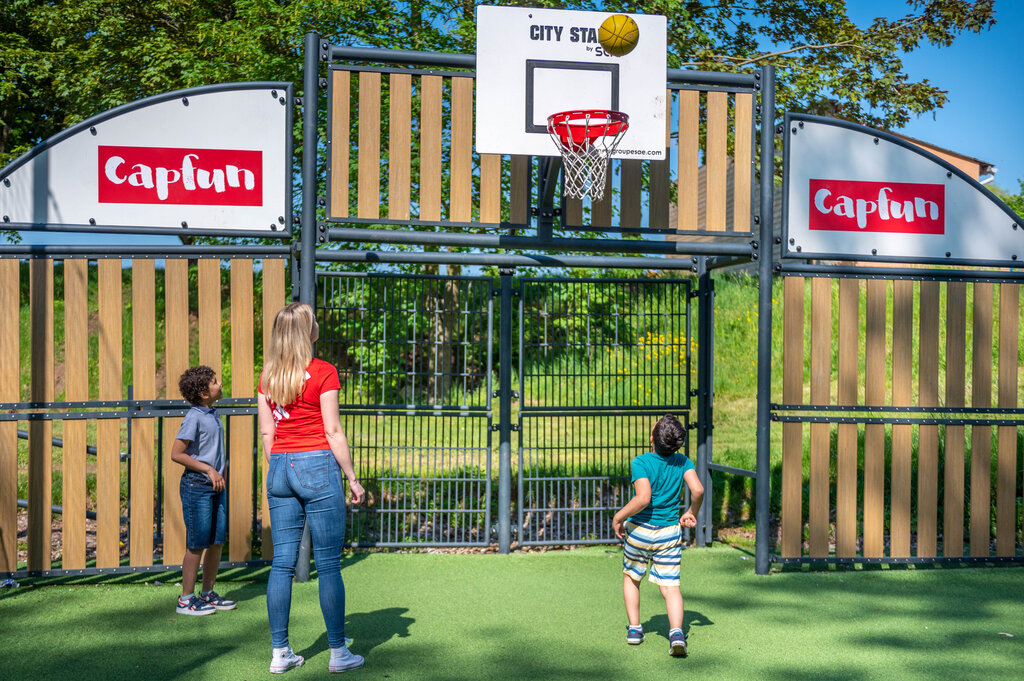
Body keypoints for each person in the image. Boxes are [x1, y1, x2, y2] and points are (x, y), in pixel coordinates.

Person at [257, 302, 366, 674]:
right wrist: (352, 477)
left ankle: (280, 653)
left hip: (280, 467)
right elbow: (333, 431)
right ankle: (338, 654)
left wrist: (281, 466)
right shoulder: (323, 372)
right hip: (317, 465)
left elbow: (267, 434)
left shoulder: (268, 375)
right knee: (330, 564)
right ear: (308, 331)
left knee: (282, 563)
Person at [612, 414, 704, 657]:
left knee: (632, 578)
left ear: (652, 438)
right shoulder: (683, 462)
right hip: (668, 535)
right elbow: (698, 489)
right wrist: (691, 512)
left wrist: (618, 517)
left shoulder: (640, 462)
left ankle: (634, 630)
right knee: (671, 587)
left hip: (640, 532)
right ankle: (676, 633)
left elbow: (643, 499)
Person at [170, 365, 237, 615]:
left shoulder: (212, 414)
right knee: (197, 543)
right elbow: (177, 454)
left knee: (216, 541)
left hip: (215, 486)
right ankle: (186, 599)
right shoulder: (194, 417)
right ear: (204, 393)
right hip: (196, 486)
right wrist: (209, 470)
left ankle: (207, 593)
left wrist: (219, 473)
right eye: (215, 382)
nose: (220, 383)